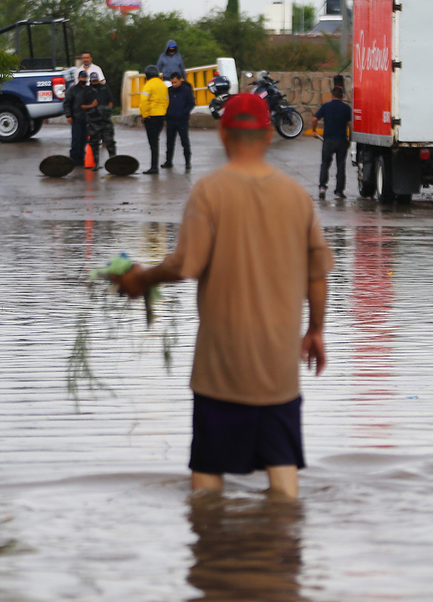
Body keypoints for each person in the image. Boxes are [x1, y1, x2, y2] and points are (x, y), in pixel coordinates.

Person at [117, 93, 333, 498]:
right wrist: (316, 330)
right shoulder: (296, 196)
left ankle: (213, 555)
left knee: (207, 483)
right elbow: (318, 275)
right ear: (269, 134)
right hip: (278, 368)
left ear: (221, 133)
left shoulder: (210, 191)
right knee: (284, 481)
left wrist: (140, 280)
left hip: (221, 367)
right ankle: (283, 546)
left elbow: (185, 265)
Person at [312, 85, 353, 198]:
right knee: (340, 166)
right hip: (341, 141)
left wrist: (314, 131)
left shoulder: (326, 106)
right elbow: (350, 124)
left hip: (328, 140)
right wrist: (350, 139)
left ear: (332, 95)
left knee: (325, 164)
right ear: (342, 96)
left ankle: (322, 187)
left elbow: (315, 119)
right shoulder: (346, 108)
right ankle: (339, 192)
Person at [139, 65, 169, 174]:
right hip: (161, 116)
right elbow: (166, 100)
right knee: (156, 140)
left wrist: (145, 114)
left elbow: (143, 100)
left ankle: (154, 167)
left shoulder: (148, 85)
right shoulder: (163, 85)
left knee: (153, 143)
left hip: (151, 116)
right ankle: (154, 166)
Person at [163, 71, 195, 171]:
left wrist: (184, 112)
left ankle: (187, 162)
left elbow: (191, 103)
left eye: (175, 82)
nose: (174, 84)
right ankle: (168, 161)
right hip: (171, 120)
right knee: (169, 142)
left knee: (184, 141)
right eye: (172, 82)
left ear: (180, 80)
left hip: (182, 120)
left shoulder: (186, 90)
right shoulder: (169, 91)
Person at [85, 75, 117, 167]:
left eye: (96, 81)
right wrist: (91, 107)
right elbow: (83, 104)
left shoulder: (104, 88)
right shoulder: (88, 91)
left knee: (109, 141)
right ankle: (95, 164)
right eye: (93, 81)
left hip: (105, 119)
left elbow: (111, 100)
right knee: (94, 143)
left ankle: (113, 160)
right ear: (90, 81)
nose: (95, 83)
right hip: (93, 120)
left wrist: (108, 110)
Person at [64, 69, 90, 166]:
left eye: (85, 77)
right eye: (82, 77)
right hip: (76, 118)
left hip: (87, 119)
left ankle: (82, 158)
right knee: (76, 139)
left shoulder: (89, 90)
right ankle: (74, 159)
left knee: (85, 140)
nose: (83, 79)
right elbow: (67, 103)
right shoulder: (73, 89)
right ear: (78, 78)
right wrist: (69, 115)